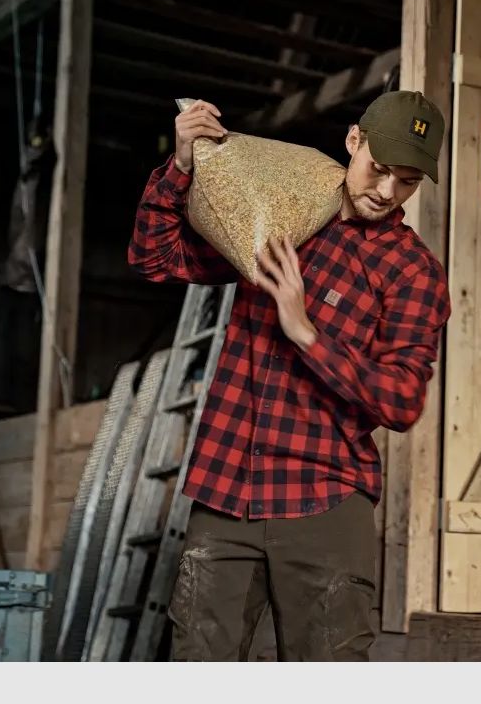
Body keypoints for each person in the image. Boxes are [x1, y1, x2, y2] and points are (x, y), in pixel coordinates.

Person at [128, 90, 451, 661]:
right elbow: (155, 259)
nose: (385, 192)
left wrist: (305, 332)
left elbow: (403, 400)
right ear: (354, 141)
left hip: (324, 502)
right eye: (379, 169)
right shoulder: (281, 216)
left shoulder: (413, 271)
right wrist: (180, 166)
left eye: (406, 182)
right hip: (225, 492)